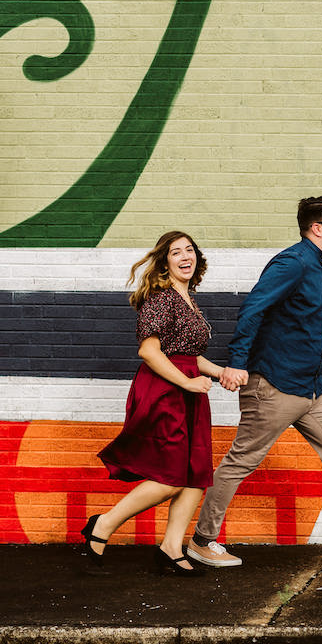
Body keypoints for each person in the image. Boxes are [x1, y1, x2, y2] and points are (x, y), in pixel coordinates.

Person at [186, 196, 322, 566]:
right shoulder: (293, 262)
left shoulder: (319, 265)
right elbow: (253, 308)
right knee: (241, 461)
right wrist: (238, 364)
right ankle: (202, 540)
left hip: (311, 388)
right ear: (318, 228)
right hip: (274, 385)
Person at [85, 230, 234, 577]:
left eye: (189, 250)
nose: (185, 256)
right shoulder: (160, 298)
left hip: (188, 390)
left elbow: (190, 357)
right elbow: (149, 352)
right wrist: (186, 382)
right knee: (170, 476)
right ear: (165, 262)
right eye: (176, 252)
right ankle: (103, 524)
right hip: (165, 390)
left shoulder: (189, 299)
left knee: (196, 474)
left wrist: (222, 373)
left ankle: (170, 547)